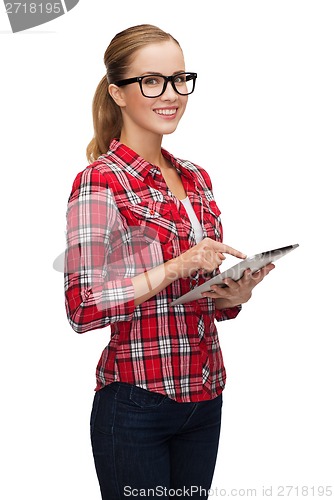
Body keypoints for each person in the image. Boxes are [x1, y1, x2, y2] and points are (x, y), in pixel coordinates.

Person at [64, 24, 274, 499]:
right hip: (137, 402)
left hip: (206, 395)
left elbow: (197, 301)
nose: (172, 94)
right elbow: (82, 308)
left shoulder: (195, 177)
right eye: (152, 80)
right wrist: (177, 265)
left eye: (180, 79)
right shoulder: (99, 183)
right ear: (118, 93)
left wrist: (232, 295)